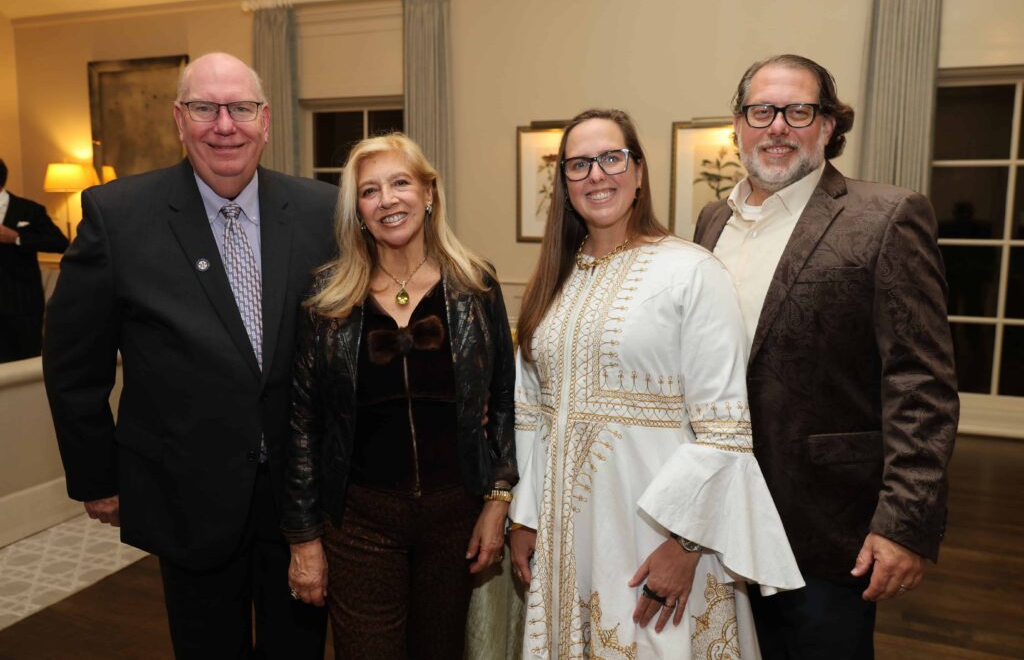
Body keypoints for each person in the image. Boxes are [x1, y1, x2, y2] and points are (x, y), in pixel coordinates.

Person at [43, 52, 335, 659]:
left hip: (301, 496)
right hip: (184, 490)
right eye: (204, 108)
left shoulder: (320, 211)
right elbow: (74, 362)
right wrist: (98, 476)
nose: (223, 125)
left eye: (241, 108)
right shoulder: (117, 216)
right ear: (180, 120)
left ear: (266, 119)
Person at [508, 108, 804, 659]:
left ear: (639, 171)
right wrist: (524, 517)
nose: (597, 175)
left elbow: (726, 429)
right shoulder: (554, 279)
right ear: (565, 182)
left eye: (611, 158)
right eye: (579, 165)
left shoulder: (691, 271)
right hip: (564, 539)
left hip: (656, 537)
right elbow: (530, 411)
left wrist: (686, 545)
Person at [693, 54, 959, 659]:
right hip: (716, 518)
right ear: (738, 124)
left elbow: (922, 384)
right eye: (762, 111)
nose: (777, 126)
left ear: (829, 126)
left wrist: (904, 523)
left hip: (823, 523)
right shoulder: (713, 220)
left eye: (799, 110)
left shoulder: (887, 217)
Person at [281, 132, 517, 659]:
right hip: (360, 521)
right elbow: (302, 425)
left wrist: (497, 502)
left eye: (400, 183)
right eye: (369, 191)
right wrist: (303, 538)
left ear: (428, 193)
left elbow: (504, 399)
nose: (387, 199)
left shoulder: (475, 285)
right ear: (357, 211)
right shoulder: (327, 299)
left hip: (454, 515)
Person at [0, 158, 68, 362]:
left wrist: (18, 238)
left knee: (26, 362)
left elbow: (60, 242)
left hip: (21, 303)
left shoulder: (29, 210)